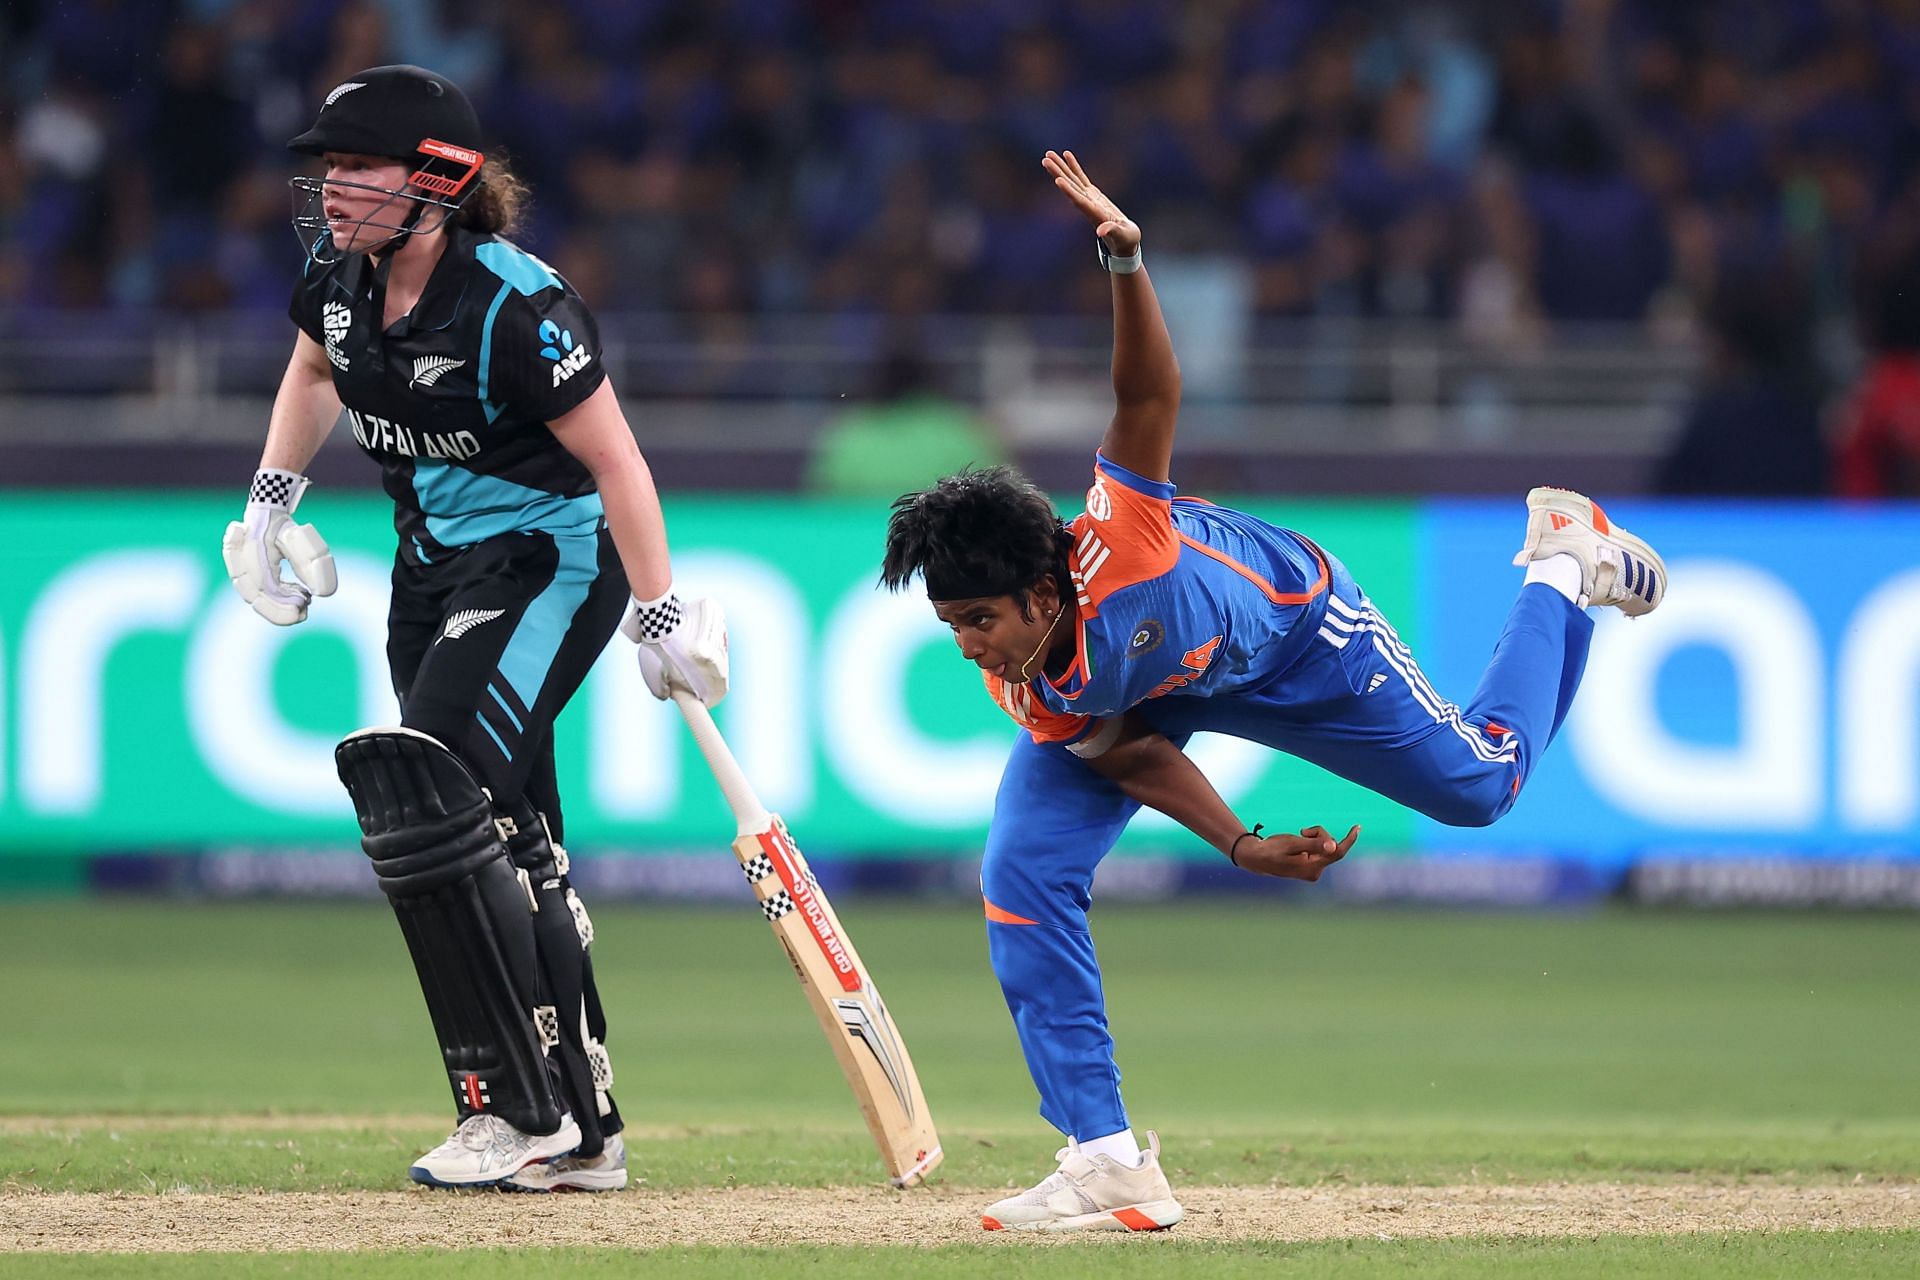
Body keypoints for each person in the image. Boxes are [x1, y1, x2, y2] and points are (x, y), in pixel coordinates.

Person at [881, 151, 1668, 1234]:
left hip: (1299, 642)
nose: (970, 650)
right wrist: (1237, 840)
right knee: (1023, 863)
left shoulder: (1126, 541)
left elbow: (1148, 391)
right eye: (951, 628)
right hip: (1162, 695)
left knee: (1480, 789)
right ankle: (1105, 1155)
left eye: (978, 621)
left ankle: (1561, 563)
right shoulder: (1028, 673)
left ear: (1036, 587)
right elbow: (1125, 749)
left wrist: (1126, 260)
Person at [222, 65, 728, 1191]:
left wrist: (657, 611)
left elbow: (616, 460)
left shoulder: (516, 304)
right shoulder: (340, 276)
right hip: (430, 567)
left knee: (433, 795)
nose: (334, 189)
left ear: (436, 182)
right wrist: (269, 498)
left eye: (358, 167)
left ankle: (516, 1109)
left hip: (549, 558)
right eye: (328, 168)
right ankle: (585, 1130)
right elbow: (315, 367)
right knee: (511, 833)